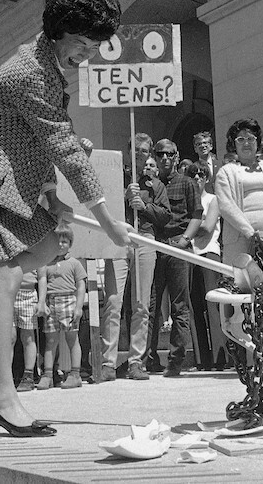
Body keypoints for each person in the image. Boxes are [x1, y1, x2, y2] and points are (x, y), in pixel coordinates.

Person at [0, 0, 131, 437]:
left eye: (95, 44)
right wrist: (107, 222)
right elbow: (63, 146)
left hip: (0, 180)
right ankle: (3, 399)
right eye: (83, 43)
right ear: (59, 30)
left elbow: (31, 142)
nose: (88, 53)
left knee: (43, 249)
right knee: (5, 274)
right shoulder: (31, 73)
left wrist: (53, 197)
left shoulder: (50, 65)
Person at [100, 133, 170, 382]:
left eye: (145, 151)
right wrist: (124, 196)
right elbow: (102, 205)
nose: (141, 155)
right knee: (113, 301)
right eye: (136, 150)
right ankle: (107, 362)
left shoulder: (156, 184)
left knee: (141, 304)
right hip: (118, 240)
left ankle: (136, 360)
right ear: (129, 151)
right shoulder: (115, 177)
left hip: (145, 239)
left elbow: (165, 216)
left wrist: (144, 206)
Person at [145, 139, 202, 377]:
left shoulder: (187, 183)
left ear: (176, 156)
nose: (165, 158)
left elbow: (197, 215)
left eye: (170, 154)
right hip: (155, 246)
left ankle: (176, 361)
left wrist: (185, 240)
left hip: (178, 247)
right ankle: (148, 359)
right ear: (155, 157)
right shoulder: (149, 184)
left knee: (180, 307)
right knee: (151, 305)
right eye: (161, 154)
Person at [216, 118, 263, 279]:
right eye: (241, 139)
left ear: (258, 142)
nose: (246, 143)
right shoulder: (225, 172)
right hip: (238, 240)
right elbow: (226, 206)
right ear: (233, 144)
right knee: (240, 286)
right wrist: (251, 233)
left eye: (251, 139)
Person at [186, 163, 227, 369]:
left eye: (201, 174)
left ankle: (221, 358)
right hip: (188, 254)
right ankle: (202, 359)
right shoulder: (186, 202)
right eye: (192, 175)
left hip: (208, 254)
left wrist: (187, 227)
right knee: (194, 307)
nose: (197, 178)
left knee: (213, 306)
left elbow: (208, 227)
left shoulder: (212, 199)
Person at [35, 228, 87, 390]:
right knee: (50, 341)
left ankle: (75, 374)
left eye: (64, 241)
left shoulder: (74, 263)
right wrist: (42, 303)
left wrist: (78, 307)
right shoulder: (46, 263)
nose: (60, 245)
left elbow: (81, 285)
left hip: (68, 301)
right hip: (51, 303)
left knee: (72, 339)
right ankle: (48, 375)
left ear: (70, 244)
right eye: (57, 241)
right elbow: (42, 282)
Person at [14, 268, 42, 391]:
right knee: (9, 338)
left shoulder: (35, 249)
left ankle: (29, 375)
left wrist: (41, 301)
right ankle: (6, 377)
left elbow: (42, 276)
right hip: (8, 292)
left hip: (28, 293)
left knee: (28, 337)